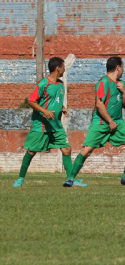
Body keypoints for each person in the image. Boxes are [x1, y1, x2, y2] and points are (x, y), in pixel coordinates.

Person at [67, 56, 125, 187]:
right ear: (118, 68)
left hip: (118, 122)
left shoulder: (121, 84)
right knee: (86, 150)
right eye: (122, 67)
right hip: (101, 122)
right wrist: (110, 121)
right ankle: (70, 179)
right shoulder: (103, 82)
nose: (123, 70)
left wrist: (124, 92)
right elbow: (99, 105)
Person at [13, 57, 79, 187]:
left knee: (66, 149)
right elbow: (31, 101)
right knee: (31, 151)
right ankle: (20, 179)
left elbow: (56, 101)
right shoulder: (43, 83)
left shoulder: (60, 84)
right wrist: (45, 111)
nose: (64, 69)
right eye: (63, 66)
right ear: (58, 68)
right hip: (41, 125)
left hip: (56, 126)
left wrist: (63, 108)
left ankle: (71, 180)